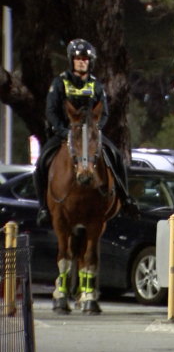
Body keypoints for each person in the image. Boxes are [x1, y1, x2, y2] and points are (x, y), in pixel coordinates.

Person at [34, 38, 138, 226]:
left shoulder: (96, 85)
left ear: (90, 62)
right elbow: (51, 111)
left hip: (90, 135)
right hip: (64, 132)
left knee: (116, 156)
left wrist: (95, 130)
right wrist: (63, 130)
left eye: (85, 59)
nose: (82, 62)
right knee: (41, 163)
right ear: (71, 60)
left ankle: (125, 198)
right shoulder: (60, 83)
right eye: (78, 58)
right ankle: (43, 207)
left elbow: (104, 112)